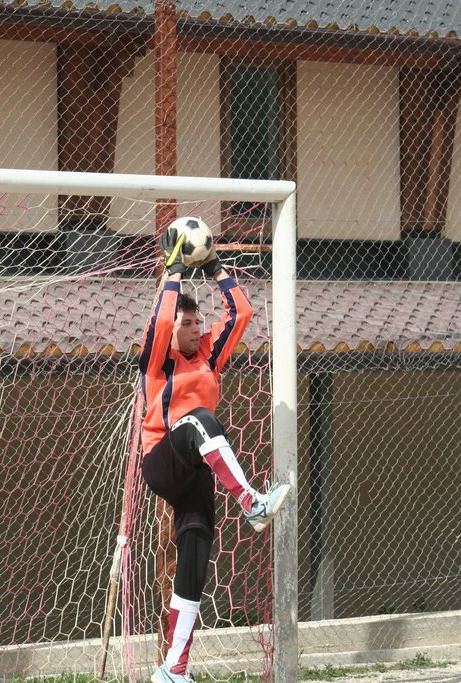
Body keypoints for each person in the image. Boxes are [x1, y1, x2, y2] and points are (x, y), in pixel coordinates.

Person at [140, 220, 291, 683]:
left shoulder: (208, 354)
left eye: (197, 322)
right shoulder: (158, 359)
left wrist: (215, 268)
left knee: (196, 554)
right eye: (187, 324)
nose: (195, 329)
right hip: (162, 459)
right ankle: (252, 502)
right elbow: (161, 323)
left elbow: (241, 312)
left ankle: (174, 668)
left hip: (196, 470)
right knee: (200, 419)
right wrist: (173, 272)